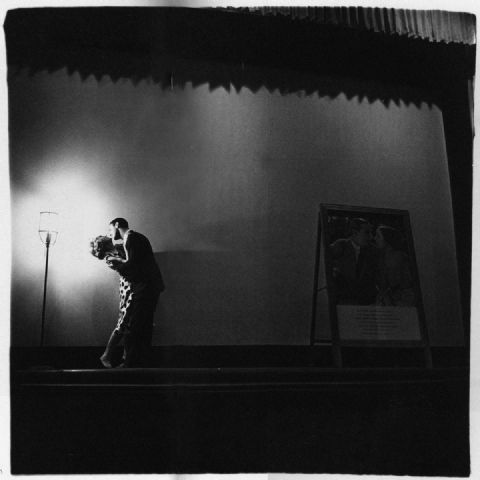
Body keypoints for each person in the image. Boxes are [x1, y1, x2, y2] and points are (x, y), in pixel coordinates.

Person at [105, 218, 165, 367]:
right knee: (141, 325)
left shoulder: (132, 238)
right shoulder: (134, 238)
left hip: (145, 287)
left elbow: (133, 265)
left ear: (117, 225)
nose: (109, 233)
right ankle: (137, 362)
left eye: (110, 229)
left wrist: (117, 264)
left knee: (136, 326)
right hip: (147, 286)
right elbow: (135, 263)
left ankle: (131, 364)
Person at [90, 235, 133, 368]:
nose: (108, 236)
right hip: (127, 288)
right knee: (123, 323)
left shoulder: (118, 248)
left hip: (131, 287)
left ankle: (126, 358)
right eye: (105, 237)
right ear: (104, 245)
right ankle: (107, 355)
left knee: (129, 324)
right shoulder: (110, 258)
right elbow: (129, 263)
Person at [329, 217, 378, 305]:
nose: (371, 237)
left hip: (364, 302)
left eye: (371, 233)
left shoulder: (371, 251)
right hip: (343, 300)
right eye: (367, 233)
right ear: (355, 233)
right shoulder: (341, 245)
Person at [374, 225, 415, 307]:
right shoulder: (383, 256)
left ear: (387, 240)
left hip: (403, 298)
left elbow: (392, 283)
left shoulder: (396, 257)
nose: (375, 239)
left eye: (378, 236)